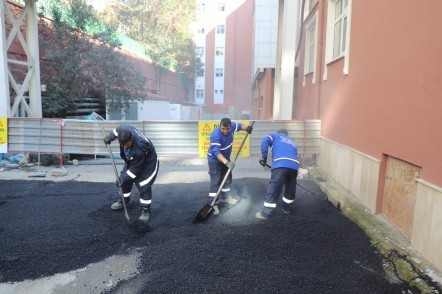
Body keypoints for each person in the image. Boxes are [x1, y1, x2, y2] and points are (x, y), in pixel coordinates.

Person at [104, 125, 159, 223]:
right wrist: (110, 137)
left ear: (132, 138)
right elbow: (117, 130)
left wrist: (124, 178)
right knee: (123, 181)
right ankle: (123, 201)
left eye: (128, 144)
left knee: (144, 185)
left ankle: (145, 210)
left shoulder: (140, 147)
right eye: (123, 145)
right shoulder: (125, 130)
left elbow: (135, 170)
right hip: (132, 159)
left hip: (147, 162)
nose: (125, 147)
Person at [207, 117, 253, 214]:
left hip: (225, 158)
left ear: (229, 127)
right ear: (220, 126)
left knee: (227, 177)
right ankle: (213, 204)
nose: (225, 131)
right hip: (215, 160)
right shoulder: (215, 135)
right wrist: (227, 163)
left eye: (227, 129)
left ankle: (225, 197)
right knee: (216, 181)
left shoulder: (232, 126)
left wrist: (247, 128)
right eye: (223, 129)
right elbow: (216, 152)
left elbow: (240, 126)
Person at [256, 128, 299, 219]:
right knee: (290, 188)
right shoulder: (292, 142)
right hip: (294, 166)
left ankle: (265, 213)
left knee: (274, 187)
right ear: (286, 134)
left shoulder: (275, 136)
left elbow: (265, 140)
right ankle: (286, 209)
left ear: (279, 133)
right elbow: (295, 155)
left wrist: (264, 157)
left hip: (280, 164)